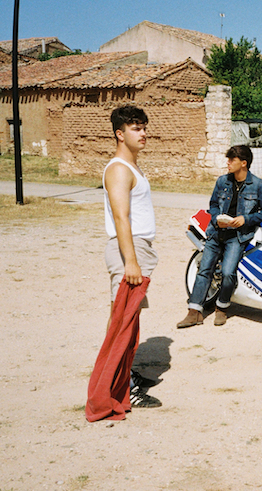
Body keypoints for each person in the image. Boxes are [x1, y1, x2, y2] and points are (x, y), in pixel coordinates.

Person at [101, 105, 161, 408]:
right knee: (122, 324)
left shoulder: (131, 167)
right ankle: (117, 391)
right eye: (136, 128)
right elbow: (121, 217)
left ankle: (127, 376)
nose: (143, 133)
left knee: (130, 321)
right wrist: (131, 261)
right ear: (119, 134)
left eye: (143, 127)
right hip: (128, 251)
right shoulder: (119, 169)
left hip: (137, 249)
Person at [177, 145, 262, 329]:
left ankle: (222, 306)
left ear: (243, 163)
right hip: (216, 232)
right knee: (204, 270)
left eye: (232, 160)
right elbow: (213, 204)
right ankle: (194, 311)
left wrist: (246, 219)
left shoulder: (259, 185)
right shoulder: (222, 181)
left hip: (237, 236)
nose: (227, 163)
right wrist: (215, 218)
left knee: (228, 273)